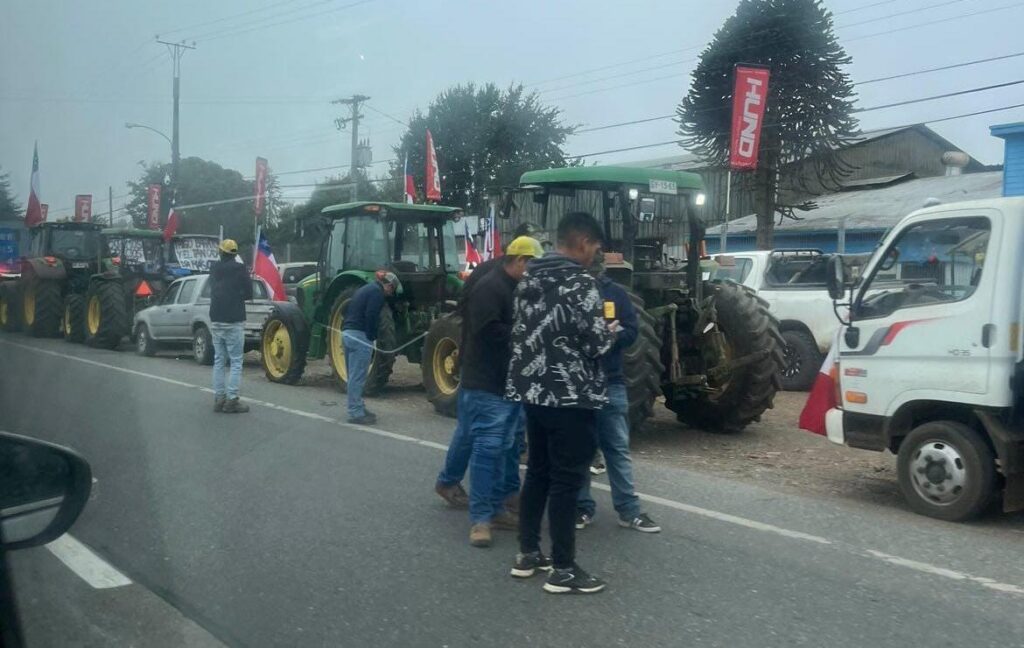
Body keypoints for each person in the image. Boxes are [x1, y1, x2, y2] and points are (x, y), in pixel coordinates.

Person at [506, 212, 615, 595]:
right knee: (568, 480)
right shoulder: (581, 283)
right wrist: (610, 333)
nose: (595, 255)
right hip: (571, 396)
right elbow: (596, 343)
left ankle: (529, 553)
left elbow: (524, 333)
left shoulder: (529, 278)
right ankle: (564, 568)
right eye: (596, 248)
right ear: (583, 242)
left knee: (538, 471)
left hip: (533, 393)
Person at [434, 223, 542, 510]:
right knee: (504, 433)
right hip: (489, 366)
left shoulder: (501, 275)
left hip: (486, 364)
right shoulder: (492, 280)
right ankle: (502, 494)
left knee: (474, 430)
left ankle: (451, 481)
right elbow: (480, 324)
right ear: (519, 255)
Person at [456, 236, 542, 548]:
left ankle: (495, 507)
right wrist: (527, 334)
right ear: (520, 261)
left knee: (505, 447)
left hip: (509, 382)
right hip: (487, 383)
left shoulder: (516, 287)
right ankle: (480, 519)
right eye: (532, 264)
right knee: (487, 449)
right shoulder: (490, 288)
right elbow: (488, 331)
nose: (534, 271)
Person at [575, 253, 661, 534]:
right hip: (578, 382)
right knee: (581, 450)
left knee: (617, 449)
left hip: (611, 380)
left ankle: (629, 510)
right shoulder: (571, 291)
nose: (592, 270)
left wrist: (612, 336)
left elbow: (632, 331)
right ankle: (581, 508)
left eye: (595, 266)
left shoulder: (615, 294)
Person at [341, 271, 399, 425]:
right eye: (391, 290)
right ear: (388, 285)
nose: (389, 293)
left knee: (352, 375)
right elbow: (372, 315)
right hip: (360, 336)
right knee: (358, 377)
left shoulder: (364, 289)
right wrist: (371, 337)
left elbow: (345, 310)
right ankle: (355, 413)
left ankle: (358, 406)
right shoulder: (377, 293)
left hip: (347, 333)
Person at [209, 239, 253, 414]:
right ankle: (232, 400)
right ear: (234, 254)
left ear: (221, 252)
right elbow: (248, 293)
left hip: (216, 318)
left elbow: (212, 289)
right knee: (236, 361)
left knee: (219, 360)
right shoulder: (240, 269)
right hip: (234, 320)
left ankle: (219, 399)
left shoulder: (214, 268)